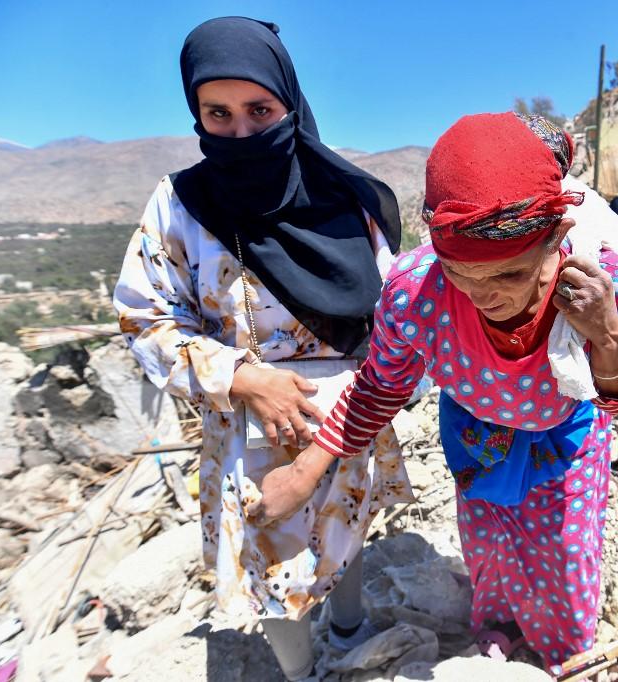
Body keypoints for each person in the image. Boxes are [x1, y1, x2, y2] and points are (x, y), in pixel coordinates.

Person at [248, 112, 618, 670]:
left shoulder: (599, 288)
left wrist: (607, 335)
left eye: (510, 276)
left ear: (556, 238)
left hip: (564, 442)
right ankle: (500, 630)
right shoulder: (415, 290)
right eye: (462, 275)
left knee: (563, 557)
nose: (484, 296)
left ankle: (563, 655)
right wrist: (301, 475)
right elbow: (378, 390)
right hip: (478, 440)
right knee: (489, 553)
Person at [113, 17, 412, 680]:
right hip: (249, 426)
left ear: (289, 101)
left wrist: (369, 390)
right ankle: (304, 672)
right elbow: (143, 319)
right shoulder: (179, 206)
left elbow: (396, 309)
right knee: (273, 563)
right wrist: (244, 379)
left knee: (349, 525)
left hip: (351, 414)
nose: (242, 132)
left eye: (259, 110)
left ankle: (350, 630)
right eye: (217, 114)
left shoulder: (344, 196)